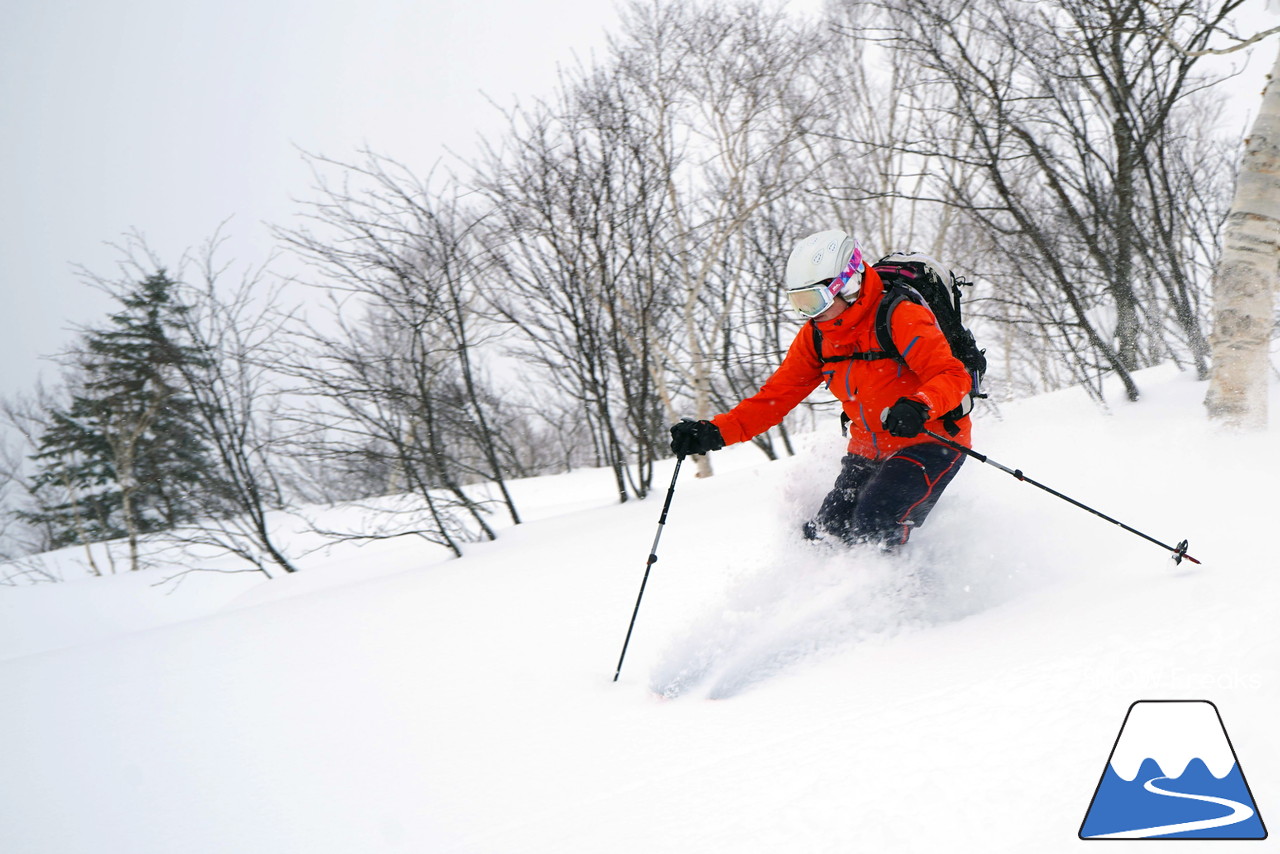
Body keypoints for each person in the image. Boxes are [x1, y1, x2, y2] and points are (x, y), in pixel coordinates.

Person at [669, 229, 973, 550]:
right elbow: (775, 398)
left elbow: (952, 375)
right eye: (800, 303)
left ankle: (903, 596)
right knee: (826, 535)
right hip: (868, 450)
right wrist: (715, 433)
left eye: (814, 300)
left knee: (875, 522)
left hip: (929, 443)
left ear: (849, 285)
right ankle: (834, 596)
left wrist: (919, 406)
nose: (809, 313)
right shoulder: (817, 337)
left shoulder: (900, 315)